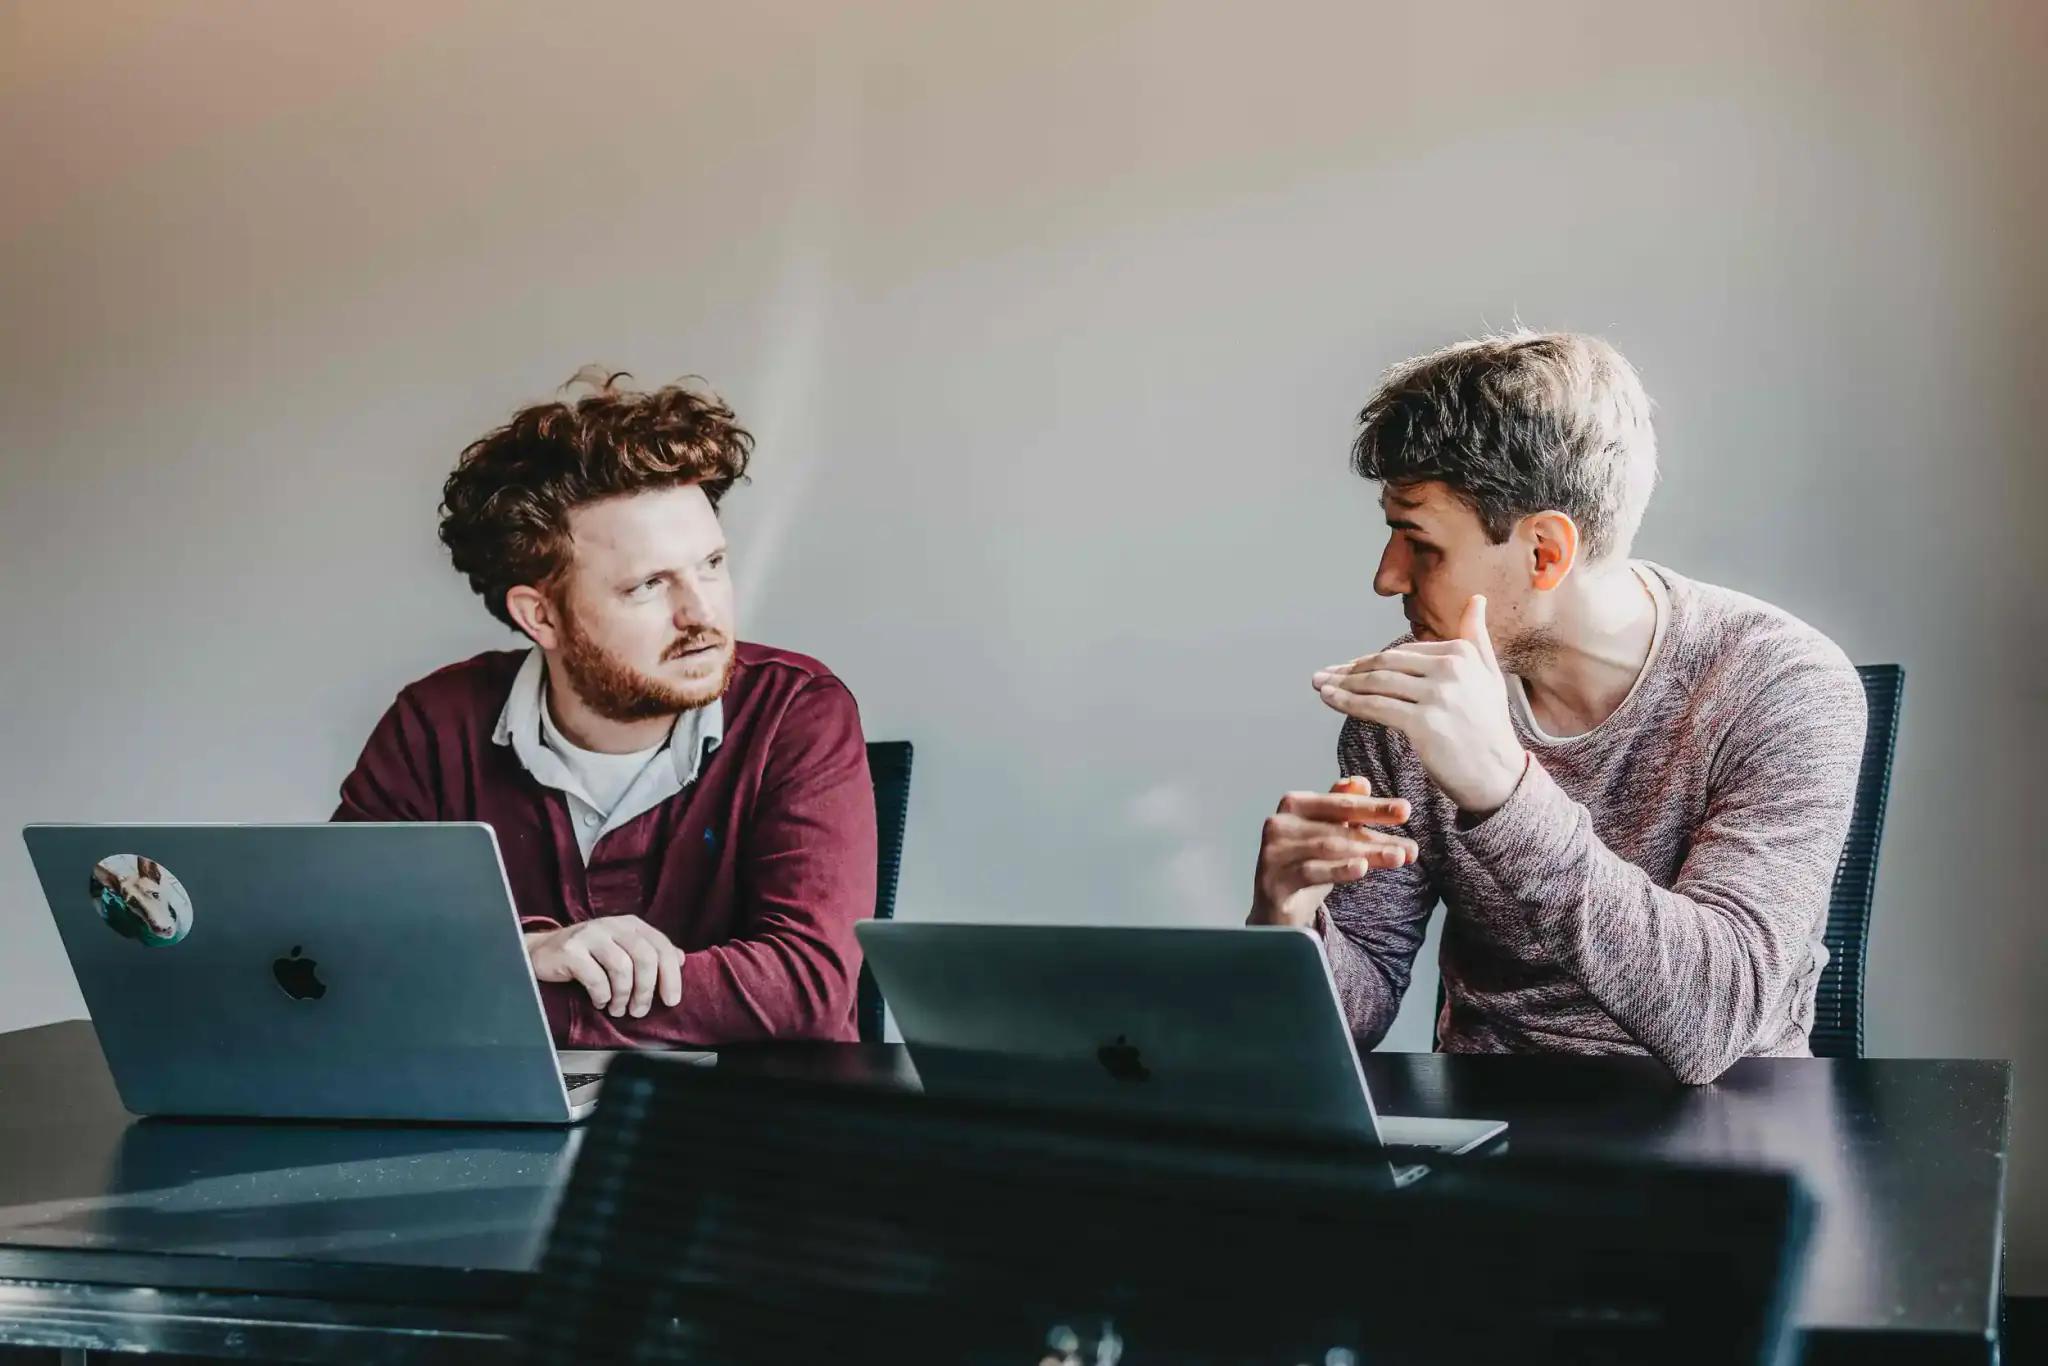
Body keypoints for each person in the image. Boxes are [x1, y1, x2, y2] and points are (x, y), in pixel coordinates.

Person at [1248, 331, 1866, 1084]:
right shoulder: (1412, 706)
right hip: (1492, 1130)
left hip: (1734, 1129)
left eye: (1419, 541)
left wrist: (1503, 791)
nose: (1387, 577)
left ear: (1545, 551)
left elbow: (1718, 1021)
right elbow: (1365, 999)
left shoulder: (1782, 684)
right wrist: (1290, 927)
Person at [334, 371, 877, 1047]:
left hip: (749, 1134)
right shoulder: (433, 725)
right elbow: (340, 958)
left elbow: (806, 991)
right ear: (542, 616)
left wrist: (508, 982)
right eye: (649, 585)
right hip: (496, 1138)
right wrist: (532, 950)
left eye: (710, 564)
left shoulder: (796, 711)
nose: (702, 614)